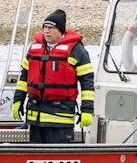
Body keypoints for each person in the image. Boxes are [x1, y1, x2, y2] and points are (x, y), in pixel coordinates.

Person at [12, 9, 95, 144]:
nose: (47, 31)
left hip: (60, 119)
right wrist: (18, 100)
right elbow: (24, 77)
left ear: (61, 30)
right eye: (45, 27)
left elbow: (87, 82)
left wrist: (87, 110)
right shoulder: (34, 48)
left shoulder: (76, 50)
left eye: (51, 28)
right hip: (35, 118)